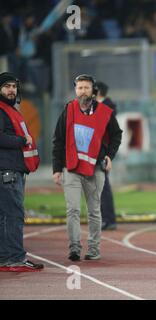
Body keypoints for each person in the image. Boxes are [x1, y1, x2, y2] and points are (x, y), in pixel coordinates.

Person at [52, 74, 122, 261]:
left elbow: (117, 135)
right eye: (79, 87)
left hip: (95, 168)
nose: (83, 91)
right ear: (75, 90)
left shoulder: (105, 112)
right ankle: (74, 248)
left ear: (93, 90)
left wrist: (110, 155)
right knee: (72, 209)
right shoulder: (68, 110)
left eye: (86, 87)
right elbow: (58, 140)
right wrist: (57, 169)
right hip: (71, 167)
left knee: (94, 211)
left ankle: (94, 249)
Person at [0, 72, 43, 272]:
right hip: (7, 172)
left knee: (5, 216)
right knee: (13, 215)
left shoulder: (8, 110)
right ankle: (15, 258)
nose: (11, 90)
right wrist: (21, 140)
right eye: (6, 86)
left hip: (10, 171)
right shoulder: (2, 111)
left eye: (13, 86)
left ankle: (5, 258)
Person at [95, 81, 118, 231]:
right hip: (100, 151)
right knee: (101, 187)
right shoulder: (105, 106)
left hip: (103, 151)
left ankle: (108, 219)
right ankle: (107, 218)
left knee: (103, 187)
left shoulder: (107, 108)